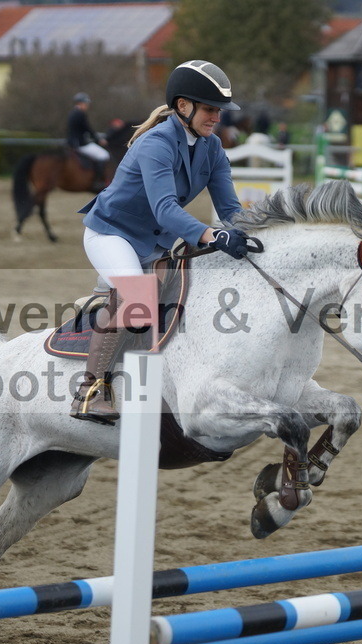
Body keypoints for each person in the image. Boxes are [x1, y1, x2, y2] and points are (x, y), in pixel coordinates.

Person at [72, 59, 247, 424]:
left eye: (219, 110)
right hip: (112, 234)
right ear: (184, 106)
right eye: (211, 109)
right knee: (137, 297)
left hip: (155, 244)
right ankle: (89, 391)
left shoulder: (212, 149)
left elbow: (231, 208)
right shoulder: (156, 143)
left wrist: (249, 236)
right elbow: (166, 209)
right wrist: (212, 234)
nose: (217, 117)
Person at [66, 92, 110, 193]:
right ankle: (98, 181)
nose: (87, 106)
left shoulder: (72, 113)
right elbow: (87, 129)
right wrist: (99, 140)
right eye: (86, 103)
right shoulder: (80, 114)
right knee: (104, 155)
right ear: (82, 103)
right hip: (80, 144)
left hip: (73, 143)